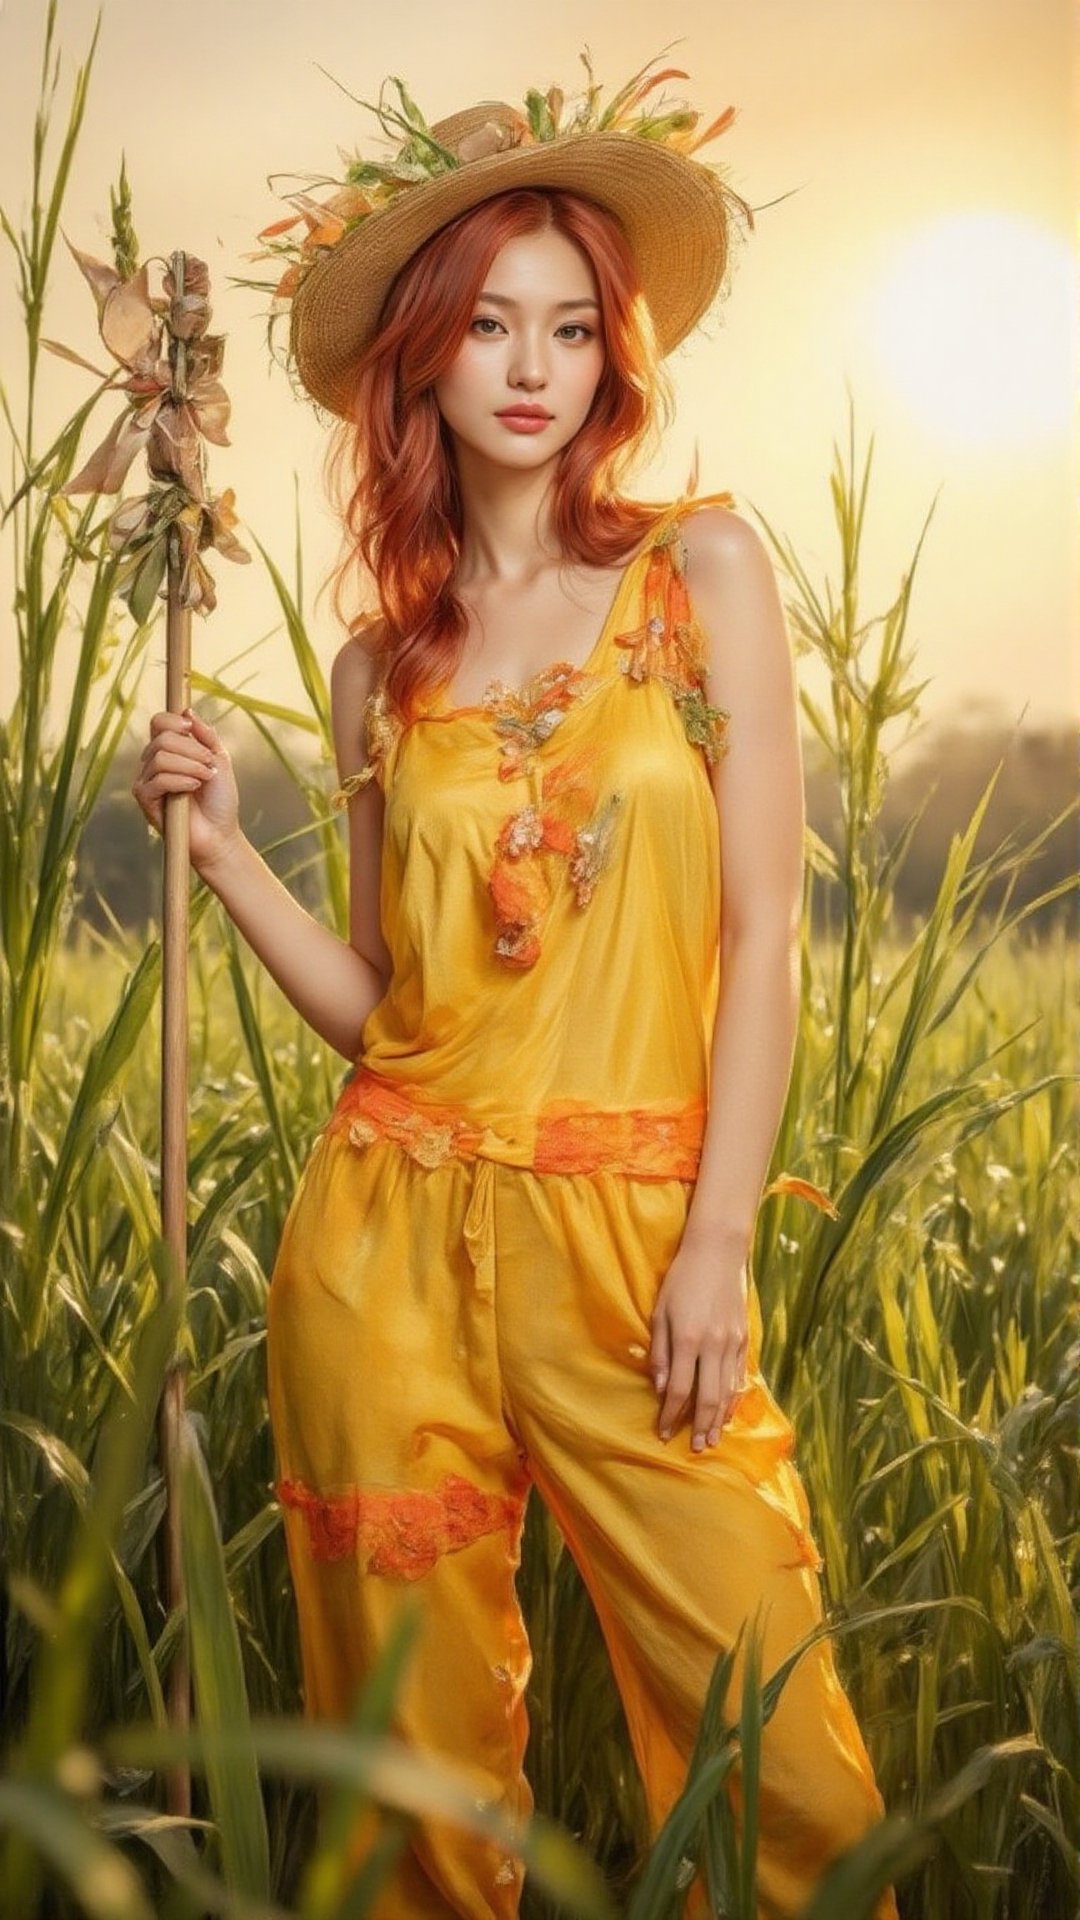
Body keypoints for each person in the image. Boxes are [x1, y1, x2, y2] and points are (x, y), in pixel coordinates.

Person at [133, 51, 900, 1920]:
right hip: (388, 1235)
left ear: (612, 358)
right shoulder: (379, 667)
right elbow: (393, 1003)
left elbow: (763, 935)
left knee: (776, 1746)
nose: (537, 366)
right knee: (411, 1790)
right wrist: (228, 853)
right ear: (422, 357)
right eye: (490, 324)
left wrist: (716, 1241)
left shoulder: (698, 573)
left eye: (573, 326)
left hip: (638, 1240)